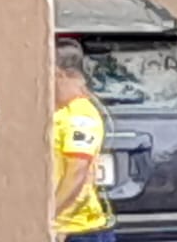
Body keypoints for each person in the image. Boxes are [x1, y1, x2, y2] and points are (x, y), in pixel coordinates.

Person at [51, 39, 116, 242]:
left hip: (79, 232)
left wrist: (53, 219)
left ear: (58, 74)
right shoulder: (62, 111)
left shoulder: (80, 115)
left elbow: (77, 172)